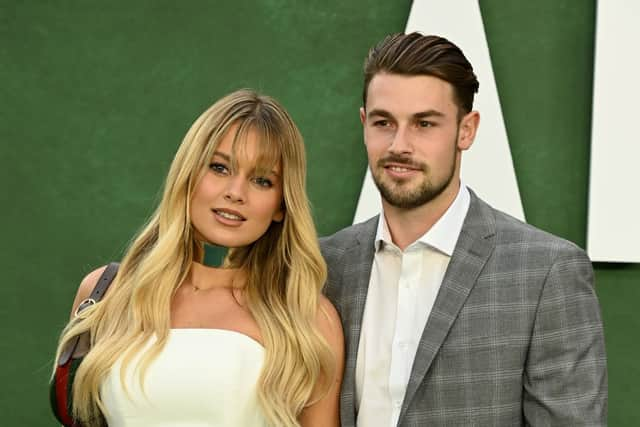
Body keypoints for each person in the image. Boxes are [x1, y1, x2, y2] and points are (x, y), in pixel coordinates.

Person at [321, 33, 607, 426]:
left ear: (466, 130)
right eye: (383, 122)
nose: (399, 144)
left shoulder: (545, 273)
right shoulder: (325, 266)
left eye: (424, 124)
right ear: (363, 123)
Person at [51, 89, 344, 427]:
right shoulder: (105, 293)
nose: (236, 192)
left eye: (262, 180)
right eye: (219, 168)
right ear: (188, 175)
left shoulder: (307, 318)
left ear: (281, 204)